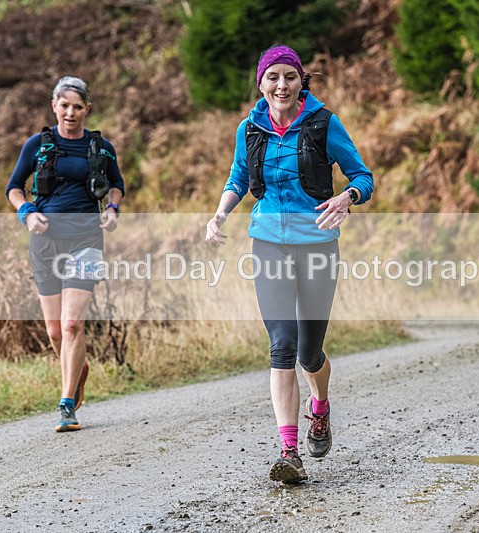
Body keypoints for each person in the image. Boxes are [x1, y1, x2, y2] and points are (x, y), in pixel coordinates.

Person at [205, 45, 373, 483]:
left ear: (302, 82)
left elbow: (363, 176)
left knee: (308, 353)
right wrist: (220, 213)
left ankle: (321, 407)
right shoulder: (250, 128)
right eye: (273, 77)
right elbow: (239, 177)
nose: (281, 85)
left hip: (317, 245)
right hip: (269, 244)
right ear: (261, 83)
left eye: (290, 76)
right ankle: (289, 451)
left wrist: (347, 197)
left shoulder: (323, 123)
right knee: (281, 345)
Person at [6, 76, 125, 432]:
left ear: (88, 108)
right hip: (45, 242)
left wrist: (112, 210)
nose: (70, 112)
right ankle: (78, 368)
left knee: (73, 324)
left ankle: (67, 403)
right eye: (64, 106)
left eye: (77, 106)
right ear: (54, 106)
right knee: (56, 331)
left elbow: (116, 184)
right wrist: (27, 213)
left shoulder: (101, 147)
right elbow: (14, 188)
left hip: (86, 239)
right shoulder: (37, 145)